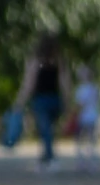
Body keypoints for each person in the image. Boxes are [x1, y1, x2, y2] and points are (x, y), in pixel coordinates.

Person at [12, 33, 72, 171]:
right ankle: (46, 157)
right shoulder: (59, 61)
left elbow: (29, 83)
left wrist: (20, 101)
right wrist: (67, 101)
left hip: (41, 100)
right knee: (48, 130)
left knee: (45, 130)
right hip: (55, 99)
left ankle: (50, 158)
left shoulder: (35, 61)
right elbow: (65, 83)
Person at [72, 63, 100, 171]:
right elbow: (98, 102)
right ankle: (92, 162)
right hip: (93, 116)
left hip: (83, 117)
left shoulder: (81, 89)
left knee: (79, 139)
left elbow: (79, 104)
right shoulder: (95, 88)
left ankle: (81, 161)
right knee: (91, 139)